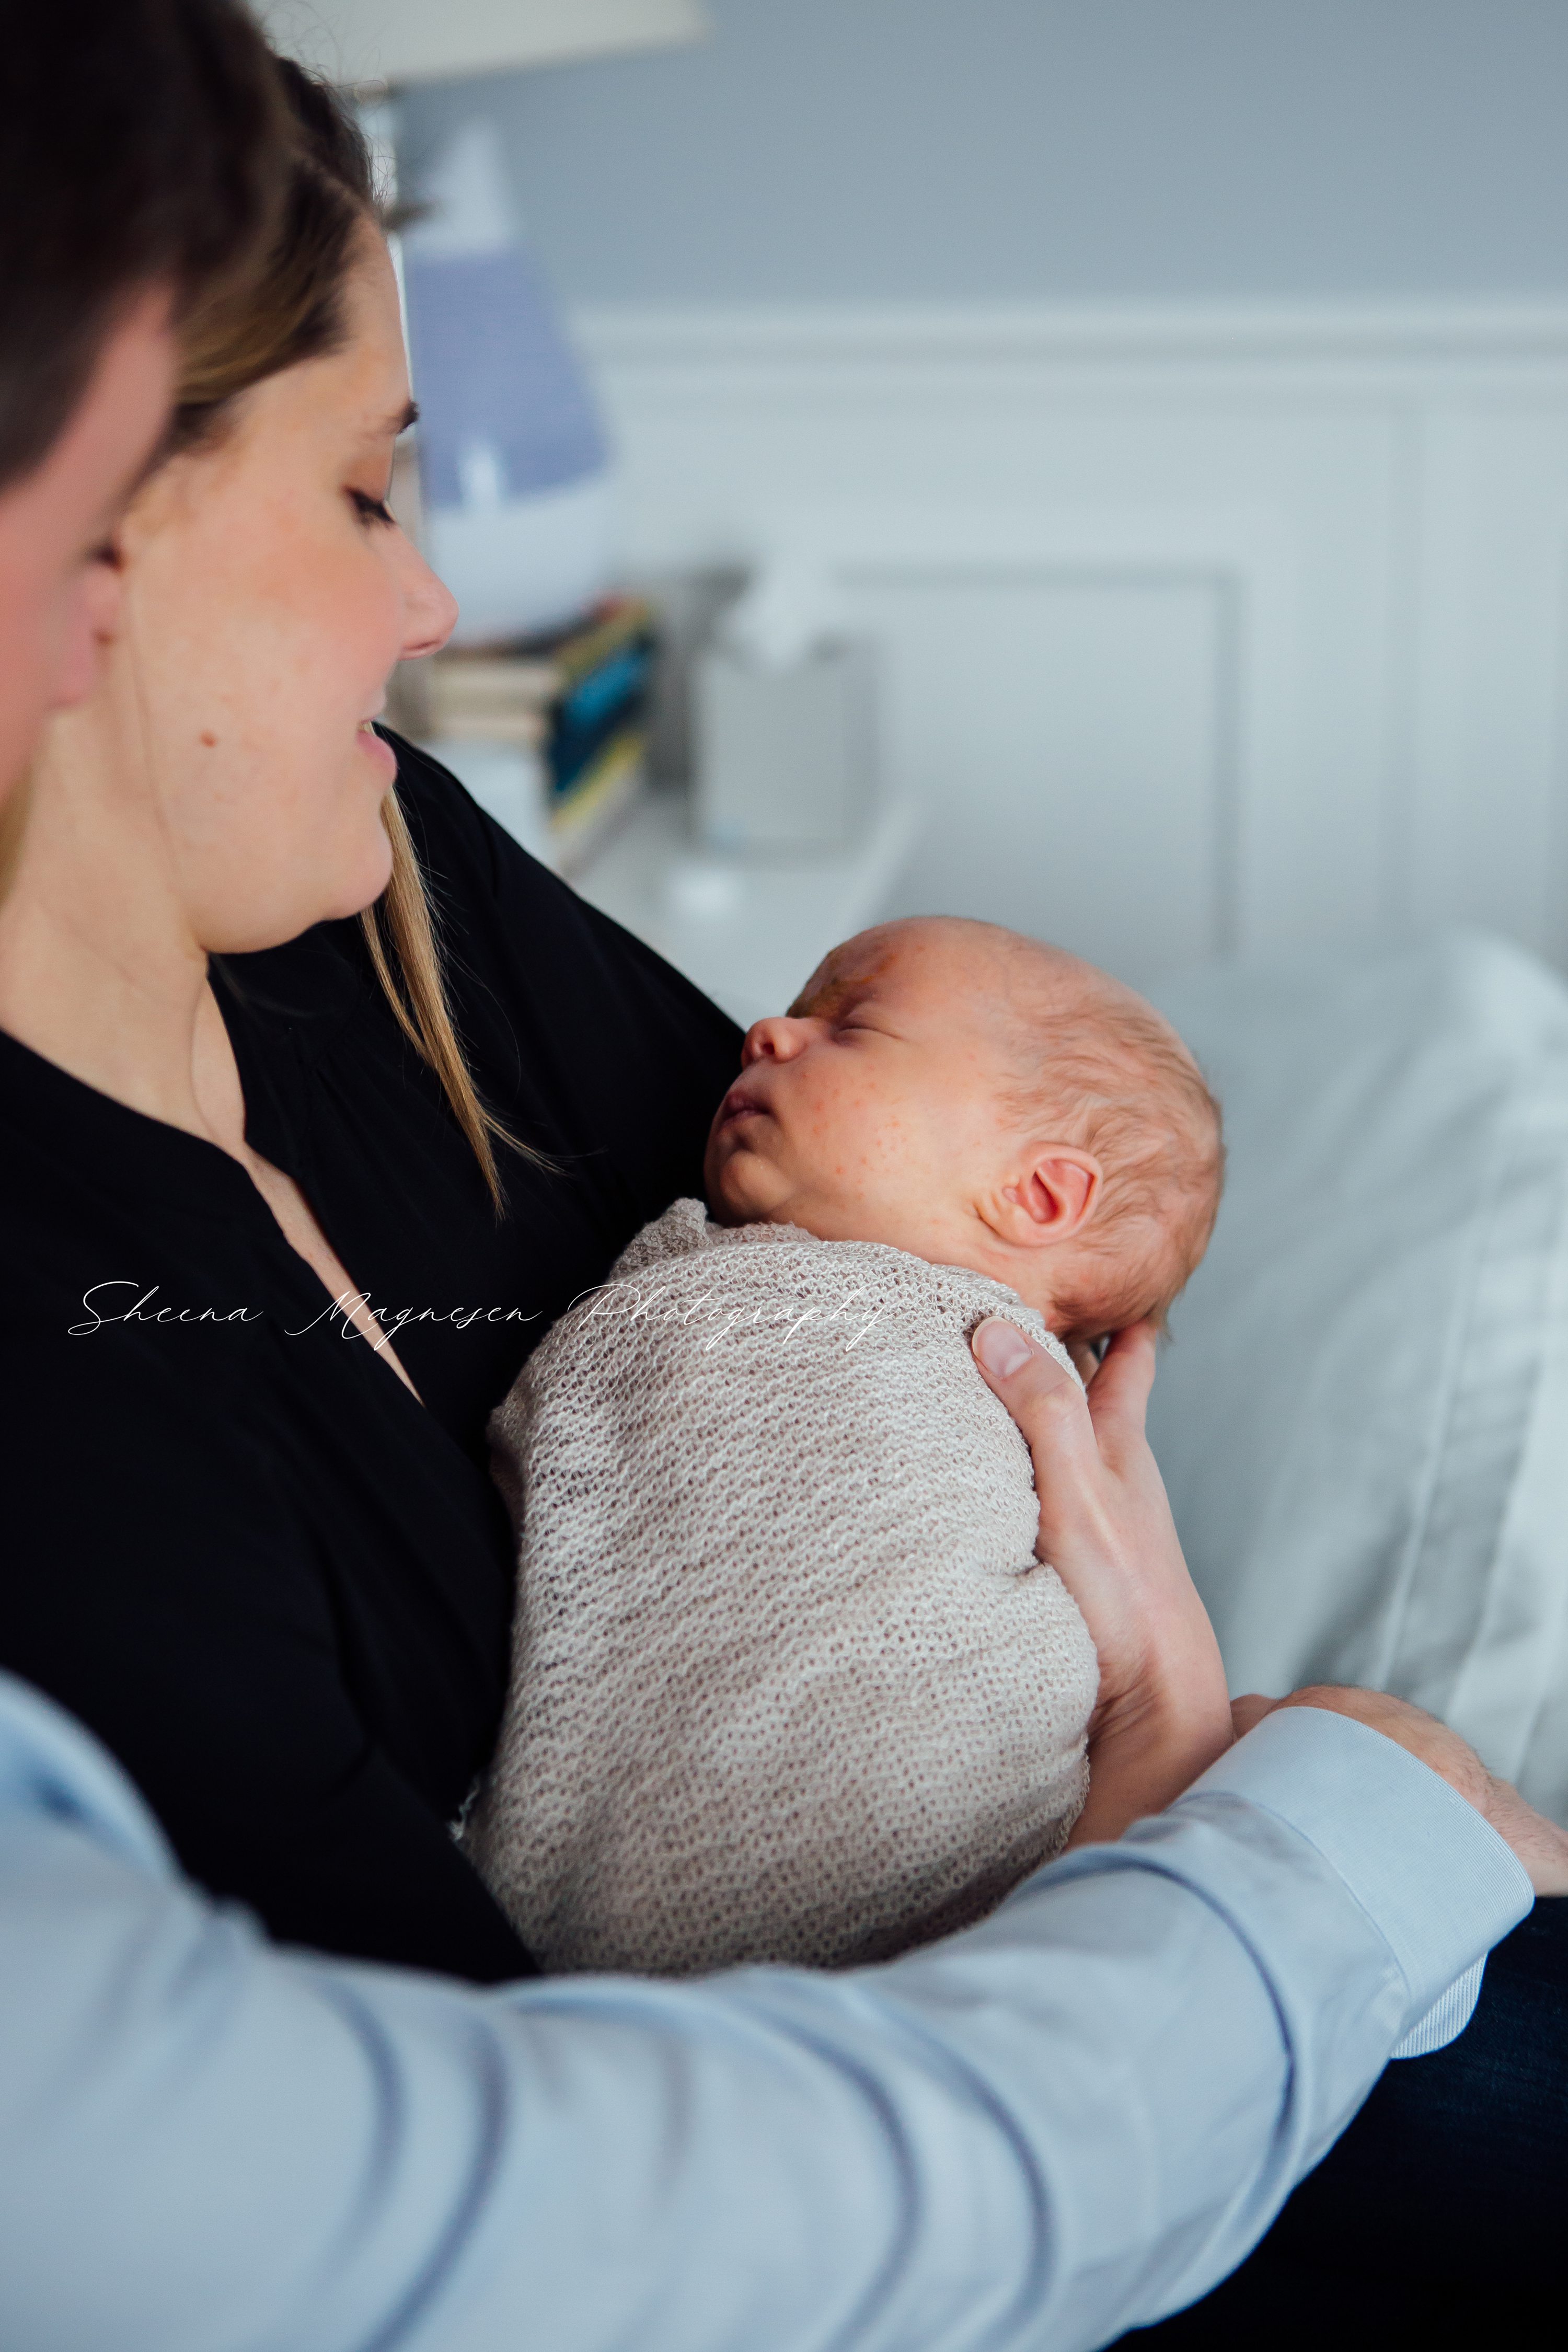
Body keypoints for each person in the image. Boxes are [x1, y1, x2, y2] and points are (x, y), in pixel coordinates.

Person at [0, 15, 1564, 2349]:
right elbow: (587, 2215)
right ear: (88, 529)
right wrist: (1285, 1832)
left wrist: (1187, 1736)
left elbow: (883, 1244)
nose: (432, 608)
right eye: (362, 494)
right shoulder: (71, 1418)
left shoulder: (379, 892)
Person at [469, 917, 1224, 1974]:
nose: (768, 1032)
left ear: (1038, 1194)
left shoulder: (1007, 1389)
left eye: (851, 1027)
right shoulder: (712, 1283)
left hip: (968, 1875)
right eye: (797, 1012)